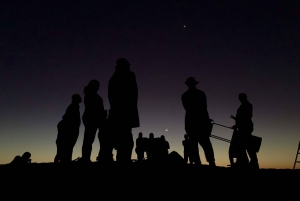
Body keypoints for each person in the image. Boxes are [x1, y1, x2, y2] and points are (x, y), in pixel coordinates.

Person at [108, 58, 140, 162]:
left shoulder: (114, 78)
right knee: (125, 142)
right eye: (127, 65)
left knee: (124, 141)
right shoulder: (127, 76)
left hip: (121, 113)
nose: (129, 67)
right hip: (123, 113)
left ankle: (122, 161)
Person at [181, 77, 216, 166]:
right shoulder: (200, 94)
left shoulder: (185, 95)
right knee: (205, 143)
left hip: (191, 122)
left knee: (195, 143)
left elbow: (187, 109)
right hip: (201, 121)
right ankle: (211, 162)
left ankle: (198, 163)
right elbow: (204, 108)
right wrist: (207, 120)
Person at [231, 93, 259, 169]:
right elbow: (244, 117)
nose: (239, 99)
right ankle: (250, 161)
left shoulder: (246, 105)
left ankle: (251, 162)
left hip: (245, 128)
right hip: (245, 127)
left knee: (246, 145)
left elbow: (245, 117)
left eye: (240, 98)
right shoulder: (246, 105)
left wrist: (237, 124)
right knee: (245, 145)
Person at [81, 80, 106, 162]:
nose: (98, 88)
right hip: (92, 118)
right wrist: (101, 113)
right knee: (89, 139)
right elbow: (92, 108)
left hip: (94, 118)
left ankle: (87, 158)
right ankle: (86, 158)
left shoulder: (91, 94)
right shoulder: (90, 94)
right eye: (97, 86)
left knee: (90, 139)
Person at [54, 94, 82, 163]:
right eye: (79, 98)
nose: (81, 99)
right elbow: (70, 120)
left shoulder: (74, 107)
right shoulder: (73, 107)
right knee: (66, 149)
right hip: (69, 132)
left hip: (69, 131)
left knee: (66, 149)